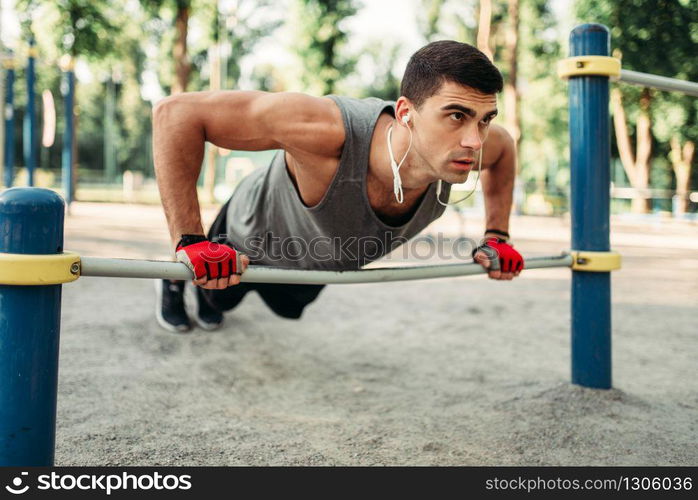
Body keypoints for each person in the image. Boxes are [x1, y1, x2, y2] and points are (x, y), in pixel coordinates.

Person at [152, 40, 524, 333]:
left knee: (283, 306)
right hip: (249, 233)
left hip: (317, 256)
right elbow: (176, 114)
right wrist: (190, 240)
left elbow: (504, 149)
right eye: (456, 116)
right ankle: (174, 283)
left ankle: (206, 297)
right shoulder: (327, 131)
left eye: (484, 120)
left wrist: (496, 236)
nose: (475, 141)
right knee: (218, 298)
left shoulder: (473, 145)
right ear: (406, 113)